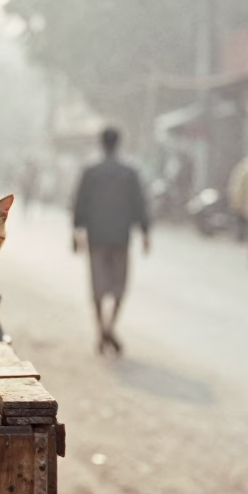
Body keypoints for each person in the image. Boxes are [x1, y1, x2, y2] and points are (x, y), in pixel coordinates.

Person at [71, 127, 150, 356]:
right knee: (119, 285)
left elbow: (79, 203)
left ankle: (101, 330)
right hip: (120, 237)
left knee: (97, 285)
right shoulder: (129, 172)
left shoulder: (90, 172)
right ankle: (110, 327)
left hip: (96, 237)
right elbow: (140, 204)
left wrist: (75, 233)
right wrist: (145, 232)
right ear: (119, 143)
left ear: (100, 143)